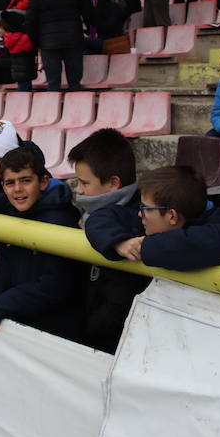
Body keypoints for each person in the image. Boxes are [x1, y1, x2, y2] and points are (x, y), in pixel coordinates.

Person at [0, 146, 85, 340]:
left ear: (43, 182)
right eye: (10, 183)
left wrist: (2, 303)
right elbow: (4, 269)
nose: (18, 189)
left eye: (26, 180)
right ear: (2, 186)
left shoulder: (60, 220)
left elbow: (55, 286)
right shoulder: (9, 217)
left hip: (57, 333)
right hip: (23, 324)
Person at [68, 128, 151, 353]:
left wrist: (89, 331)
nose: (79, 190)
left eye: (84, 183)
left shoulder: (139, 222)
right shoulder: (91, 214)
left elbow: (119, 302)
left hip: (110, 344)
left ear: (114, 183)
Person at [128, 165, 220, 271]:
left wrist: (141, 247)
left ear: (172, 216)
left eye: (144, 208)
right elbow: (115, 214)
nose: (139, 214)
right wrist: (120, 244)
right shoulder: (156, 218)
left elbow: (190, 246)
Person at [25, 0, 93, 92]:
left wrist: (36, 41)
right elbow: (88, 11)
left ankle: (53, 111)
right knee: (75, 82)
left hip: (48, 41)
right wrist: (90, 27)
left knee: (53, 83)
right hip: (73, 37)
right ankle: (79, 110)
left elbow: (30, 20)